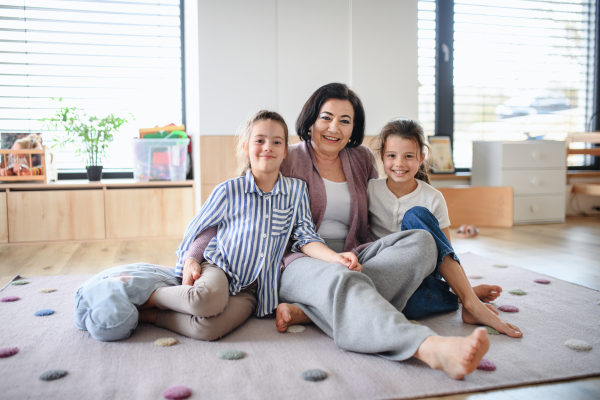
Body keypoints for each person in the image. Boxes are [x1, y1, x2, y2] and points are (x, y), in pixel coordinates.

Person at [186, 83, 520, 380]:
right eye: (326, 117)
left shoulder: (361, 158)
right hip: (298, 258)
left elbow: (383, 208)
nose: (334, 128)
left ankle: (315, 310)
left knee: (421, 240)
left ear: (353, 129)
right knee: (344, 279)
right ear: (311, 120)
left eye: (345, 121)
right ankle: (428, 347)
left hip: (355, 251)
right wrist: (193, 258)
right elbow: (227, 212)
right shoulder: (287, 157)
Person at [75, 110, 360, 342]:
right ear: (246, 147)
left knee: (207, 330)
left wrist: (335, 258)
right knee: (204, 302)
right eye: (259, 140)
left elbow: (305, 237)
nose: (268, 148)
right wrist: (190, 260)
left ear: (286, 151)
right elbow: (202, 230)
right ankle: (143, 294)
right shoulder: (229, 190)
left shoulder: (296, 191)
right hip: (221, 268)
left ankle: (146, 314)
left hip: (254, 289)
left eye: (276, 142)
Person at [368, 118, 503, 305]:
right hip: (382, 270)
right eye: (392, 155)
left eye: (408, 156)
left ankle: (466, 296)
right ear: (382, 156)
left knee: (416, 214)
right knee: (403, 303)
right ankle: (457, 297)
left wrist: (462, 285)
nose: (399, 163)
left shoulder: (432, 197)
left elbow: (446, 251)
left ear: (421, 158)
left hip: (420, 272)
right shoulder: (370, 190)